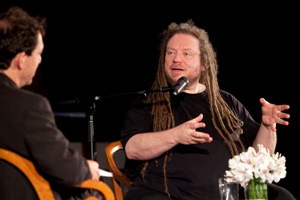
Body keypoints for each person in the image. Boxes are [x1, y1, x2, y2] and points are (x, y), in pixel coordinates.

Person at [120, 20, 296, 200]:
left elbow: (259, 159)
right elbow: (133, 149)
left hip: (227, 194)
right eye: (170, 52)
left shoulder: (225, 102)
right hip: (166, 194)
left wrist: (268, 126)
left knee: (283, 197)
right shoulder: (151, 100)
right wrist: (176, 135)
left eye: (186, 53)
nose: (176, 59)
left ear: (204, 63)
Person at [0, 6, 103, 200]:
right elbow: (65, 169)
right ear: (21, 60)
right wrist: (86, 168)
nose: (39, 61)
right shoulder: (29, 106)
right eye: (38, 54)